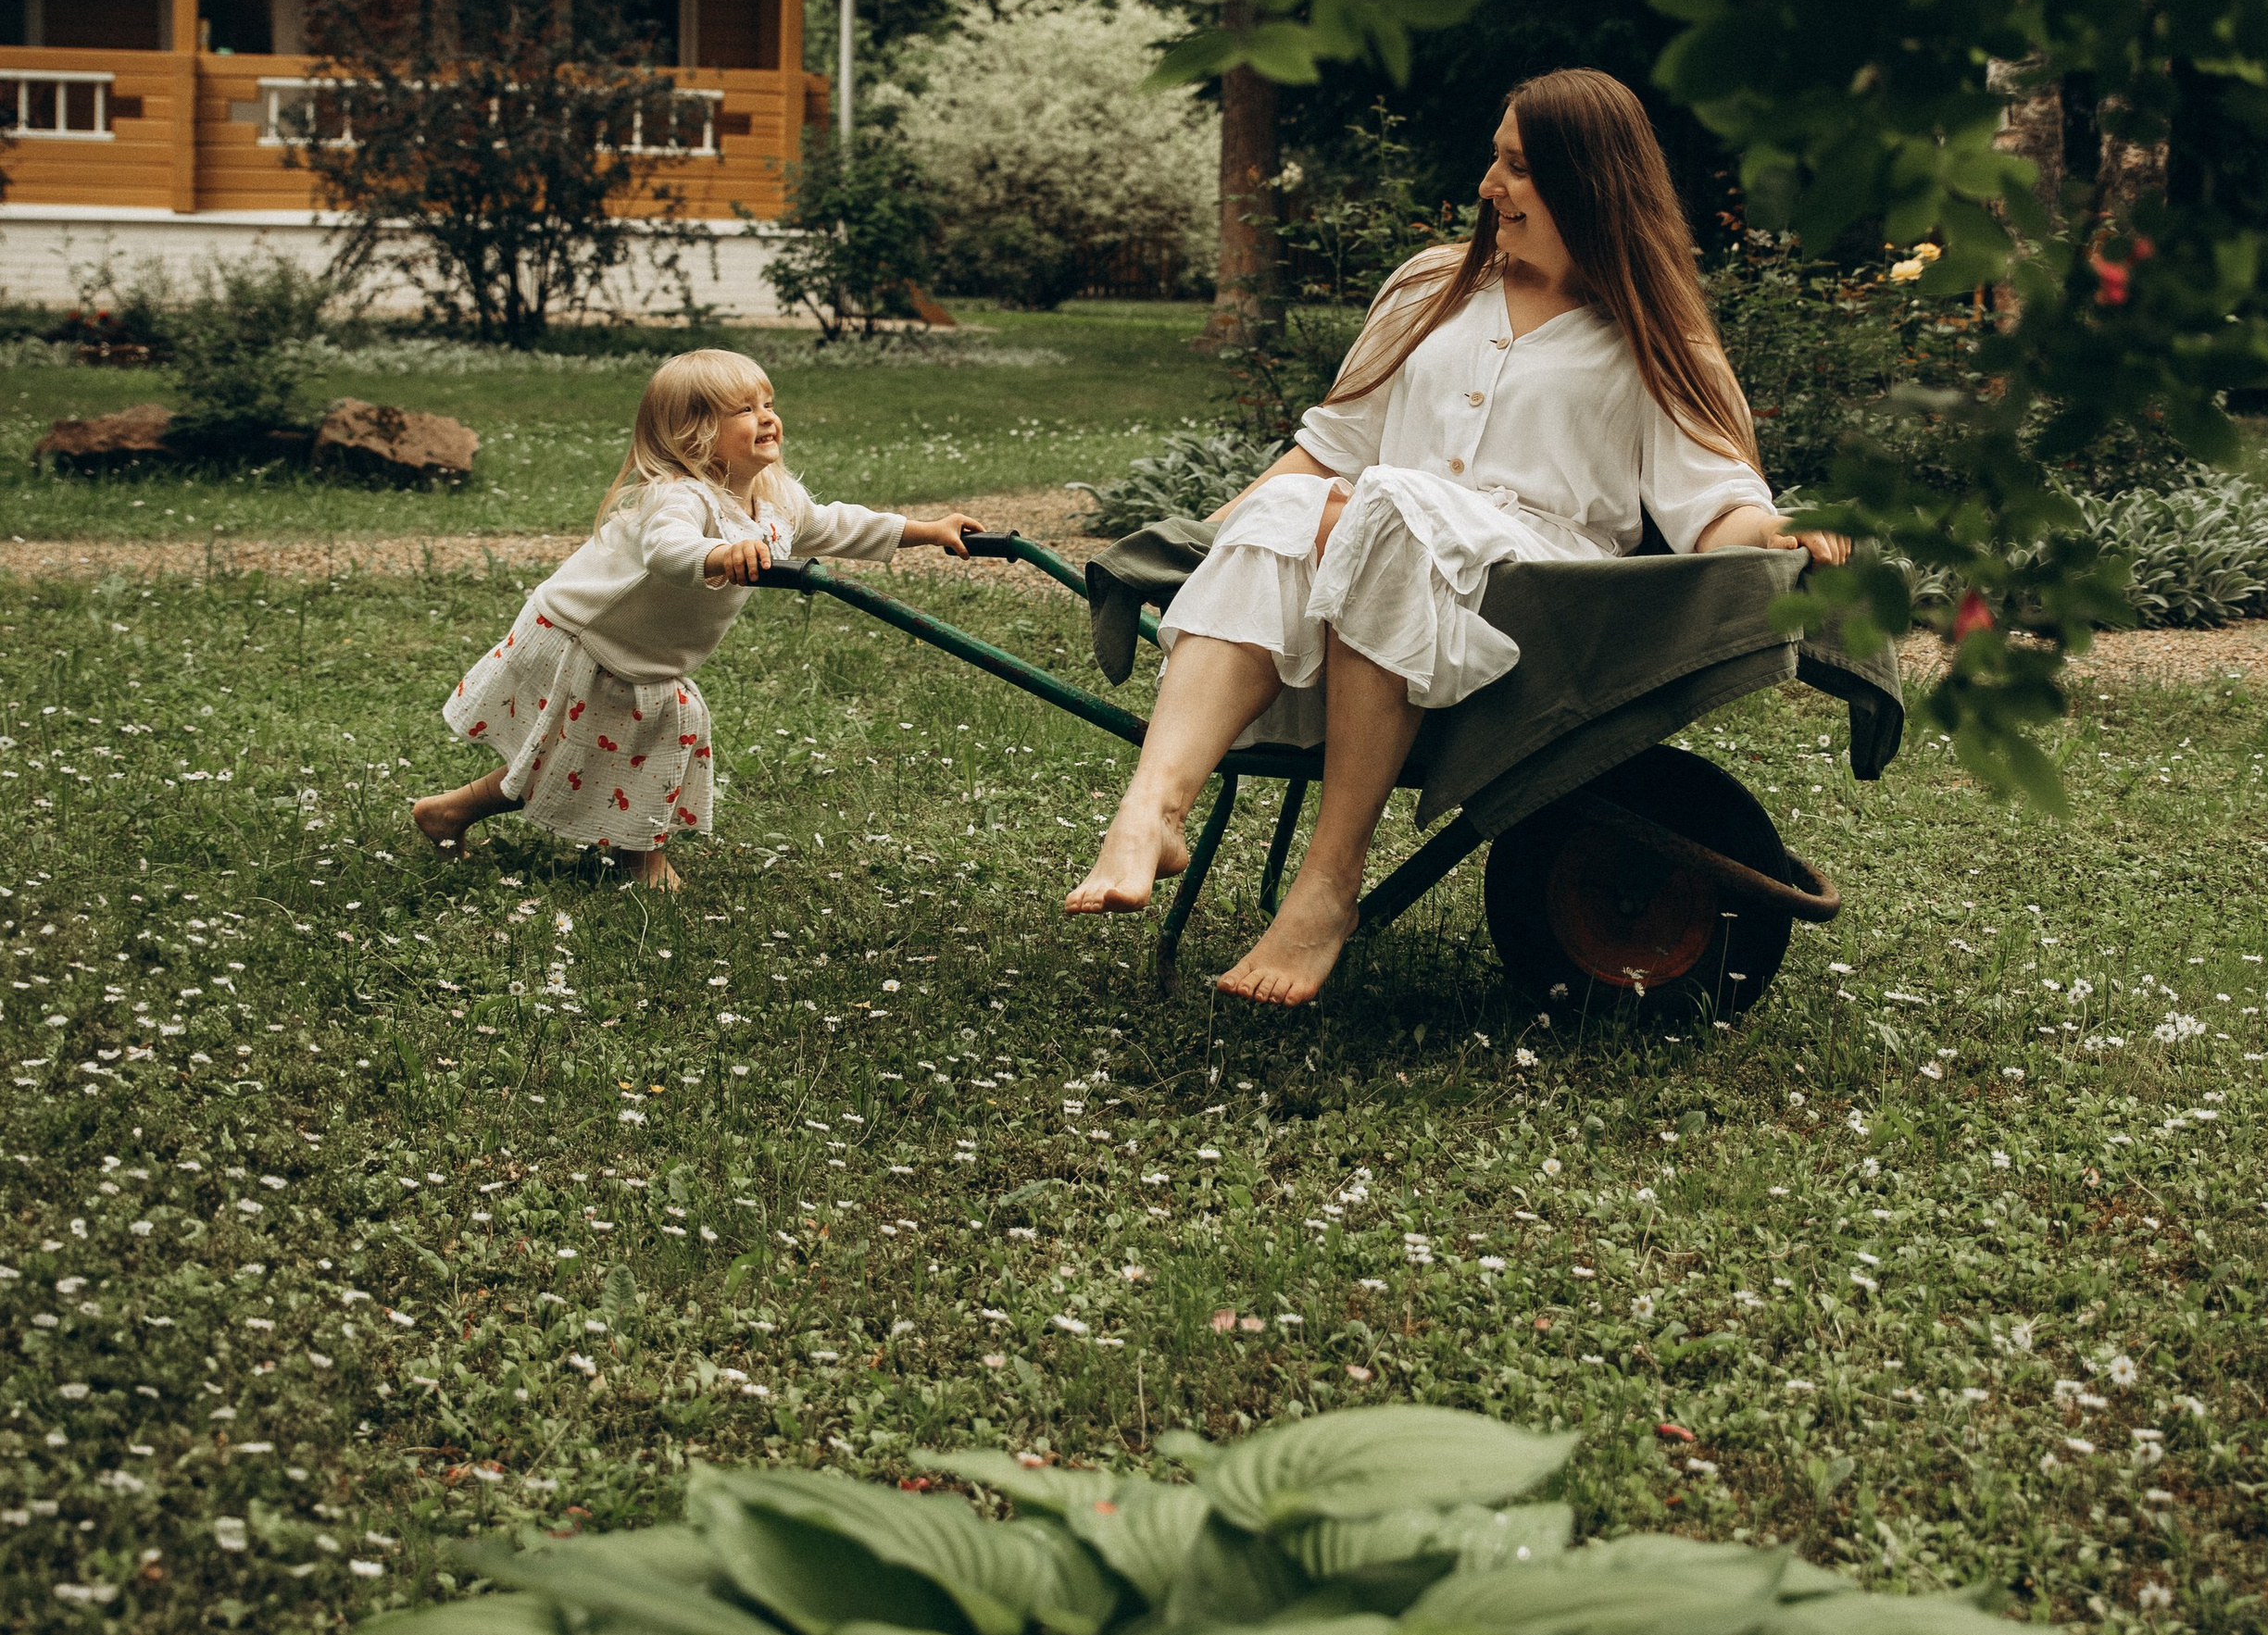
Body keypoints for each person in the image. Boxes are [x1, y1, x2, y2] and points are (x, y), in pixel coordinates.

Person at [1068, 69, 1848, 1003]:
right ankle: (1150, 806)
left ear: (1585, 182)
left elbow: (1712, 503)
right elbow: (1328, 449)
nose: (1488, 185)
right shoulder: (1433, 286)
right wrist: (1216, 538)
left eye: (1516, 167)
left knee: (1387, 506)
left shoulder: (1650, 336)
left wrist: (1776, 528)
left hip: (1527, 610)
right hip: (1366, 587)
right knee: (1316, 508)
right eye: (1495, 158)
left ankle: (1328, 884)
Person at [411, 347, 980, 889]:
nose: (767, 418)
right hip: (586, 639)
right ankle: (605, 849)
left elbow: (838, 525)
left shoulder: (775, 498)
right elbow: (668, 548)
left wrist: (927, 531)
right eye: (744, 411)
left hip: (645, 656)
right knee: (583, 750)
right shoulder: (678, 496)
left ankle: (494, 820)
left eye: (768, 404)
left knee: (634, 742)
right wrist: (718, 555)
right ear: (695, 434)